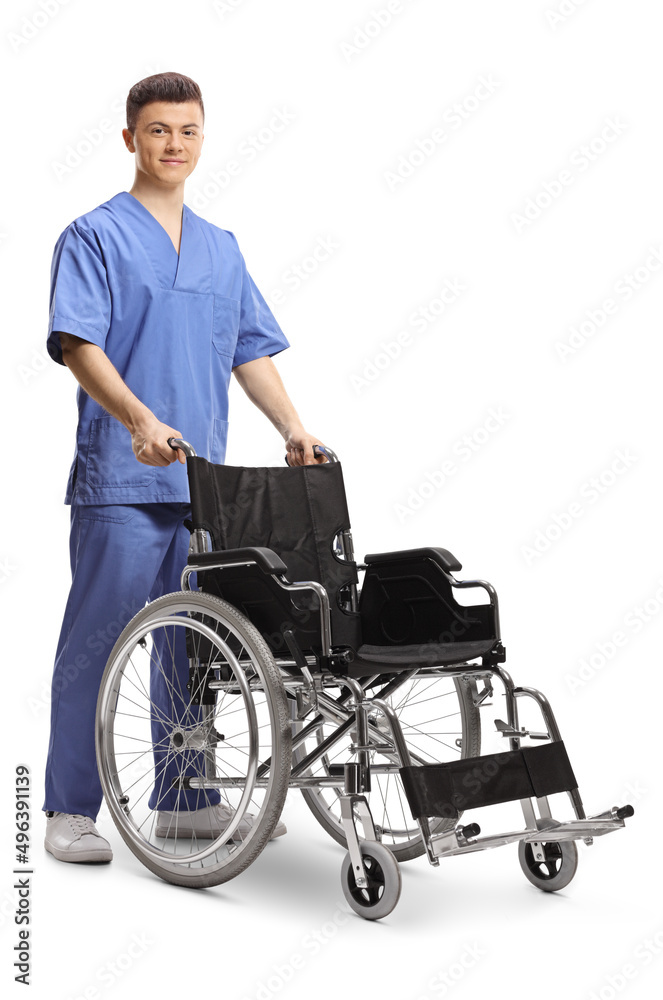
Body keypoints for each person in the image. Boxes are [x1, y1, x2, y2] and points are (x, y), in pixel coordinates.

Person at [43, 71, 326, 864]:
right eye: (159, 130)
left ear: (204, 138)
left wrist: (293, 429)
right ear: (130, 138)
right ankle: (69, 809)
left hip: (206, 488)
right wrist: (136, 419)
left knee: (197, 645)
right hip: (123, 480)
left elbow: (250, 348)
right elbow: (77, 343)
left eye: (189, 131)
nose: (175, 144)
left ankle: (183, 797)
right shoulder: (93, 235)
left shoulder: (220, 247)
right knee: (101, 640)